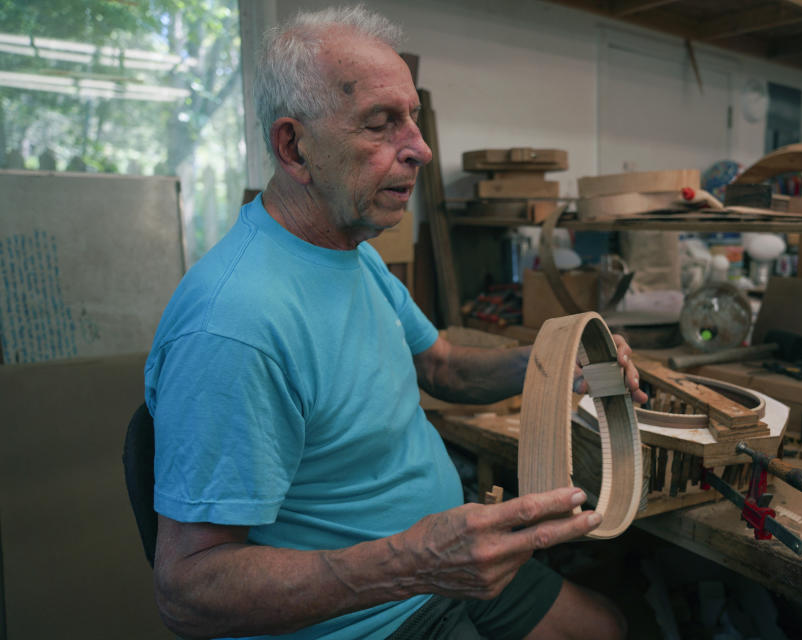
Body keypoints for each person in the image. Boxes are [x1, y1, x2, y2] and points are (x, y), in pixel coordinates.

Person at [144, 6, 646, 640]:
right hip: (371, 614)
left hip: (443, 567)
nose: (422, 148)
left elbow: (440, 364)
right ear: (294, 147)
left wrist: (549, 363)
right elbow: (188, 592)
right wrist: (410, 562)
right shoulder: (234, 326)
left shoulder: (349, 251)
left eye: (412, 116)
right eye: (382, 125)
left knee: (610, 628)